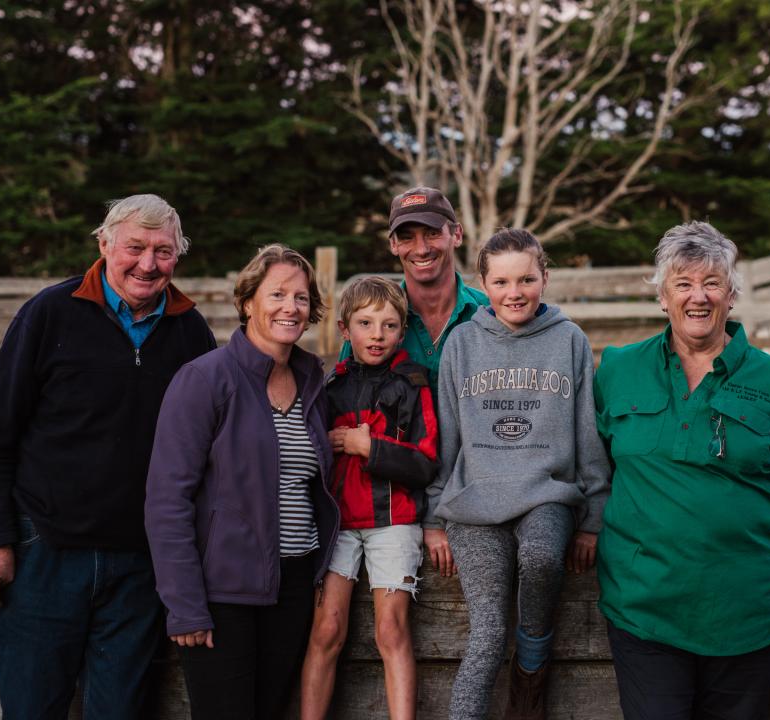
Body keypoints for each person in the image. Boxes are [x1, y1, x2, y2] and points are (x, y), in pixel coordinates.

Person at [0, 194, 217, 719]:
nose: (148, 264)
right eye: (135, 247)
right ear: (104, 245)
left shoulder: (191, 333)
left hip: (140, 566)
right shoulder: (49, 314)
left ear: (178, 257)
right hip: (44, 554)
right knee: (32, 709)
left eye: (164, 251)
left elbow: (214, 448)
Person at [593, 221, 770, 720]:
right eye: (683, 284)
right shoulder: (618, 369)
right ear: (662, 297)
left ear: (731, 296)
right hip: (645, 609)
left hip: (749, 612)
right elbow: (591, 468)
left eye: (712, 283)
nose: (698, 297)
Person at [144, 243, 341, 720]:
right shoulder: (205, 379)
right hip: (222, 594)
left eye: (300, 297)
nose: (290, 307)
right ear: (248, 301)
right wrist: (185, 605)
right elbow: (167, 499)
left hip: (292, 586)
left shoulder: (313, 382)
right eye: (276, 294)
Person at [427, 228, 611, 720]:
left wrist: (592, 518)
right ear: (483, 285)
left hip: (546, 495)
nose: (515, 293)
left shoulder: (569, 339)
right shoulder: (461, 344)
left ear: (544, 278)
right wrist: (431, 516)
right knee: (486, 633)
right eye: (502, 281)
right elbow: (446, 439)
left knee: (542, 557)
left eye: (526, 279)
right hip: (475, 503)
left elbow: (588, 435)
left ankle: (533, 651)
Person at [299, 276, 440, 720]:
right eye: (365, 323)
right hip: (339, 526)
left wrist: (368, 447)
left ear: (403, 331)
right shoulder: (330, 386)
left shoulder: (413, 383)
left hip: (394, 525)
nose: (377, 335)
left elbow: (426, 463)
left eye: (389, 325)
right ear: (345, 329)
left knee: (391, 631)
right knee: (326, 631)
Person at [340, 186, 489, 393]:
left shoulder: (489, 313)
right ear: (393, 244)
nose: (421, 249)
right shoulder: (369, 321)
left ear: (457, 235)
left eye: (433, 233)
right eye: (407, 237)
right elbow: (343, 396)